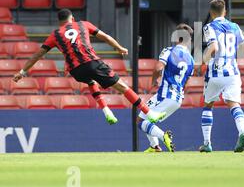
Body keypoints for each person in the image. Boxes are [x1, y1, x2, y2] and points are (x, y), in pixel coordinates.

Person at [12, 9, 164, 125]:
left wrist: (22, 72)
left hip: (75, 71)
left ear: (60, 21)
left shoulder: (55, 34)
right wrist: (119, 48)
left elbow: (36, 55)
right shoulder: (83, 24)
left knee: (91, 82)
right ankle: (149, 113)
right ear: (72, 18)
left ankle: (106, 111)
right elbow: (105, 36)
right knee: (123, 87)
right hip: (91, 62)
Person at [199, 0, 244, 153]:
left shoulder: (209, 27)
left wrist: (202, 61)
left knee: (208, 105)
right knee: (234, 105)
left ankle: (207, 143)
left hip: (215, 72)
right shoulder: (235, 26)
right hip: (233, 72)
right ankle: (242, 132)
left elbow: (213, 47)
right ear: (225, 11)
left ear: (211, 12)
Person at [137, 24, 195, 153]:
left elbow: (158, 67)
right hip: (176, 98)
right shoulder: (191, 59)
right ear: (188, 40)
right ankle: (154, 146)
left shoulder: (169, 51)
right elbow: (186, 81)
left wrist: (154, 80)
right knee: (142, 117)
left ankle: (164, 136)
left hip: (166, 95)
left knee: (142, 122)